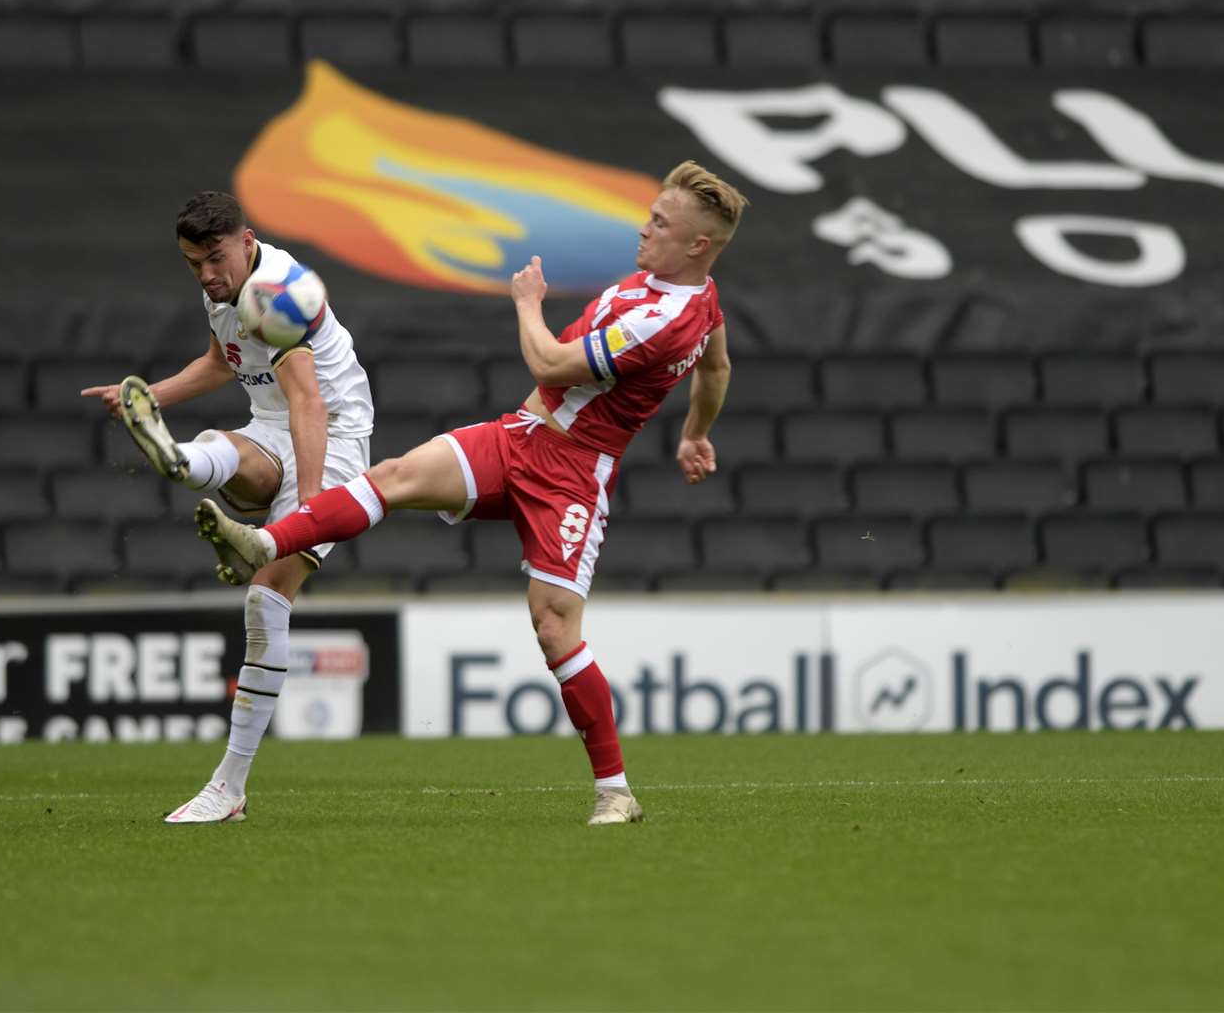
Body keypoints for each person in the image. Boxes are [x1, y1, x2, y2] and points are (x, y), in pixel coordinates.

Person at [194, 160, 747, 826]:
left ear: (698, 245)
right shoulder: (697, 293)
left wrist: (526, 303)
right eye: (650, 214)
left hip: (572, 475)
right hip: (515, 438)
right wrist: (694, 433)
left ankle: (614, 791)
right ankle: (262, 540)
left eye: (661, 223)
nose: (645, 227)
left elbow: (547, 363)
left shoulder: (663, 319)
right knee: (392, 477)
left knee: (553, 629)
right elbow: (716, 366)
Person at [80, 190, 374, 824]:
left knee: (266, 601)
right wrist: (149, 395)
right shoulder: (219, 293)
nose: (207, 274)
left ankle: (229, 787)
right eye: (194, 263)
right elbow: (221, 362)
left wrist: (312, 508)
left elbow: (309, 405)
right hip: (269, 425)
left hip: (333, 437)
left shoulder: (279, 293)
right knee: (226, 450)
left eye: (216, 258)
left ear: (247, 242)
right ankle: (185, 461)